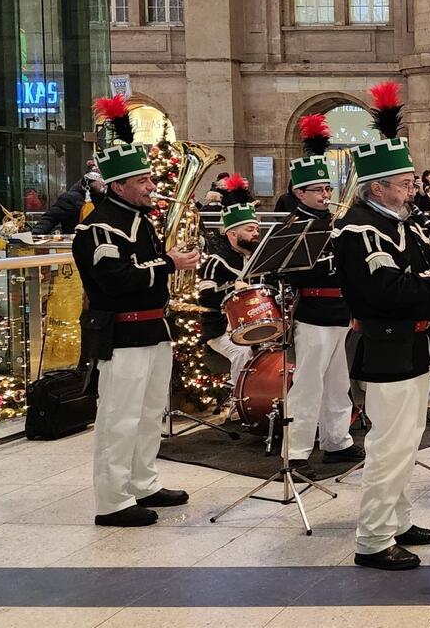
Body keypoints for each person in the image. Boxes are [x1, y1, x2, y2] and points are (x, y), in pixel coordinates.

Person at [334, 81, 430, 571]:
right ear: (378, 187)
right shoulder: (360, 231)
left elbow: (415, 269)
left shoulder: (399, 223)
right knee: (388, 445)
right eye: (406, 183)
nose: (415, 190)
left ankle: (398, 518)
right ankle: (372, 539)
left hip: (412, 346)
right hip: (385, 344)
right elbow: (389, 291)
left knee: (410, 438)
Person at [74, 95, 197, 527]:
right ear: (120, 185)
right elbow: (116, 280)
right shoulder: (98, 227)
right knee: (118, 419)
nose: (151, 186)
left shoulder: (140, 221)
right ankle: (112, 501)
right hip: (123, 335)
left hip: (153, 331)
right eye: (143, 181)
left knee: (148, 415)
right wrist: (169, 263)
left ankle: (143, 482)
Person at [279, 115, 361, 476]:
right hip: (312, 311)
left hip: (340, 309)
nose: (326, 196)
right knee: (308, 384)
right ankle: (295, 451)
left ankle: (336, 441)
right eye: (318, 191)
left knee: (338, 381)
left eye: (327, 190)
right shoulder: (292, 226)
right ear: (300, 193)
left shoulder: (333, 221)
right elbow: (289, 272)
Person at [197, 176, 263, 390]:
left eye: (256, 229)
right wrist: (230, 289)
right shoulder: (216, 261)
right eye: (250, 230)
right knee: (241, 352)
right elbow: (205, 296)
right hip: (220, 330)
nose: (256, 233)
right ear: (233, 234)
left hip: (256, 323)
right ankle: (240, 400)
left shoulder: (261, 259)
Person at [33, 168, 105, 234]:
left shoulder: (104, 197)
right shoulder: (71, 198)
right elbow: (50, 218)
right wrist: (36, 234)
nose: (104, 185)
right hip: (76, 241)